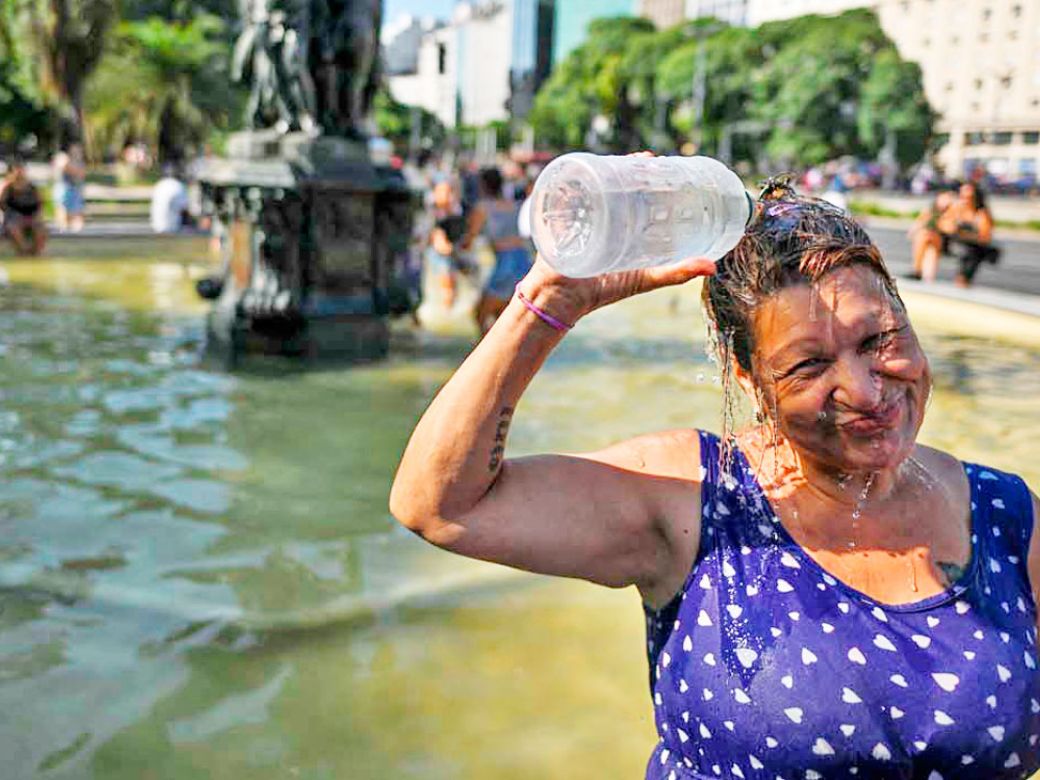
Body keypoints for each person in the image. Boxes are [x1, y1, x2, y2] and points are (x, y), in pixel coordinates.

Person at [390, 174, 1040, 778]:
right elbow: (442, 505)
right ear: (749, 381)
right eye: (808, 366)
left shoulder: (1006, 515)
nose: (866, 392)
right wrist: (552, 299)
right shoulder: (699, 499)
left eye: (880, 340)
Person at [462, 167, 533, 335]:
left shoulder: (482, 208)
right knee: (504, 318)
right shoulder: (515, 205)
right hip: (524, 261)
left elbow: (469, 240)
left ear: (482, 185)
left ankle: (487, 350)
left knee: (480, 316)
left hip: (505, 263)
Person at [941, 181, 998, 288]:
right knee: (968, 251)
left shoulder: (981, 213)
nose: (965, 198)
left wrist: (966, 234)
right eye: (963, 194)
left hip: (973, 244)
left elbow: (985, 236)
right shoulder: (956, 208)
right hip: (954, 241)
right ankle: (962, 280)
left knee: (973, 251)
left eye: (968, 195)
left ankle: (963, 280)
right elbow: (945, 226)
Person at [424, 180, 468, 310]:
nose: (448, 196)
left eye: (449, 192)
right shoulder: (433, 212)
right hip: (439, 255)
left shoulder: (456, 209)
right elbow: (439, 242)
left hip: (451, 252)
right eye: (443, 192)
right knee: (447, 284)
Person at [907, 189, 955, 282]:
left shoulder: (951, 211)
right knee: (923, 236)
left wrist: (941, 219)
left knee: (926, 236)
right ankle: (919, 270)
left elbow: (949, 229)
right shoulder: (931, 210)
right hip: (932, 236)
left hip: (945, 239)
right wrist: (914, 230)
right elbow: (920, 221)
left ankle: (919, 271)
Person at [0, 159, 47, 256]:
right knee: (14, 229)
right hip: (13, 217)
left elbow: (40, 203)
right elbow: (2, 204)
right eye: (17, 170)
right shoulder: (7, 187)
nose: (20, 173)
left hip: (31, 216)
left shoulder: (32, 187)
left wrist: (37, 215)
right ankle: (24, 252)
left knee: (41, 230)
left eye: (22, 170)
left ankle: (35, 253)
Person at [52, 144, 86, 232]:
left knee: (76, 216)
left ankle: (76, 233)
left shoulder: (80, 163)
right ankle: (63, 231)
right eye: (74, 150)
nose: (77, 152)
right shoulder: (62, 159)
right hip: (64, 191)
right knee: (63, 215)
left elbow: (80, 175)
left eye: (78, 150)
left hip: (75, 192)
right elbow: (67, 170)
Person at [150, 165, 190, 234]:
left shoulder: (159, 185)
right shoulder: (178, 185)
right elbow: (184, 210)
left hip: (156, 226)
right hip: (172, 227)